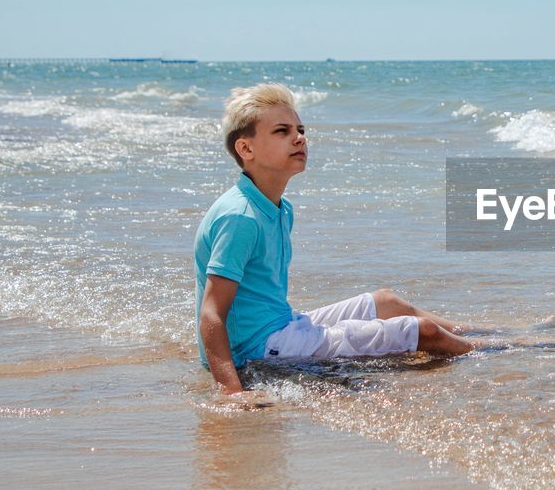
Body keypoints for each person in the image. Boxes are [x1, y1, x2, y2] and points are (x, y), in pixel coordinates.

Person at [194, 83, 473, 398]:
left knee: (388, 302)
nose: (300, 138)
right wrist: (233, 391)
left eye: (300, 130)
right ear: (246, 149)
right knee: (423, 332)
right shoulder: (241, 217)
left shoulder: (279, 208)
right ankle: (499, 351)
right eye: (282, 131)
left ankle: (484, 336)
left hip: (280, 324)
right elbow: (211, 313)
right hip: (258, 349)